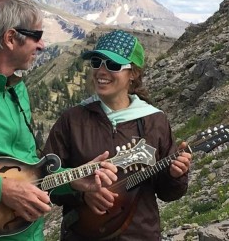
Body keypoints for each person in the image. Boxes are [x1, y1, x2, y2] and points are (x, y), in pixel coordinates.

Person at [0, 0, 118, 241]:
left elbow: (28, 172)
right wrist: (1, 190)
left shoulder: (16, 85)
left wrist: (73, 180)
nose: (42, 45)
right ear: (10, 38)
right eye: (36, 36)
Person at [44, 30, 192, 241]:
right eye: (97, 62)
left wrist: (175, 175)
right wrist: (82, 193)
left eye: (112, 65)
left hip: (140, 235)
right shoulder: (72, 120)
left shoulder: (154, 121)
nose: (101, 71)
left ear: (133, 74)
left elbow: (167, 193)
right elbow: (45, 181)